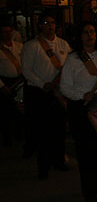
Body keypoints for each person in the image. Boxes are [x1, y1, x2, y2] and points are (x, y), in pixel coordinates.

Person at [60, 22, 97, 202]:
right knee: (86, 152)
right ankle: (89, 189)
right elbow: (64, 87)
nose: (90, 35)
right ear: (79, 36)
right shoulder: (73, 59)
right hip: (82, 109)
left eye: (92, 32)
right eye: (85, 32)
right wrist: (82, 95)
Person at [21, 13, 71, 179]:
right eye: (46, 23)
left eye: (52, 22)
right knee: (42, 131)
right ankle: (43, 166)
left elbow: (69, 67)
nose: (50, 26)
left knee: (59, 130)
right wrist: (43, 84)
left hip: (58, 92)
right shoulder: (32, 46)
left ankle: (59, 160)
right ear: (40, 25)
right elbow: (26, 70)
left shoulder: (63, 44)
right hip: (39, 93)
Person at [0, 18, 24, 146]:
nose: (7, 34)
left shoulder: (19, 46)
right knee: (6, 111)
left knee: (19, 109)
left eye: (9, 32)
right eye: (4, 32)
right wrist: (2, 86)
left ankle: (19, 134)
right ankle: (7, 136)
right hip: (5, 82)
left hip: (20, 81)